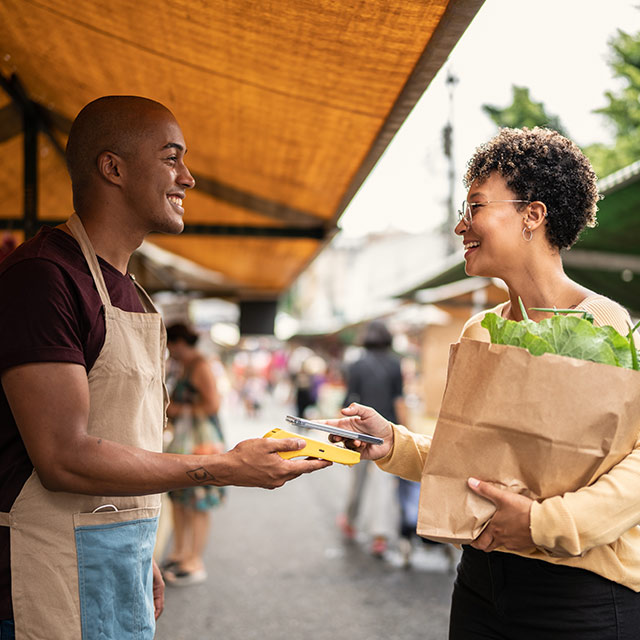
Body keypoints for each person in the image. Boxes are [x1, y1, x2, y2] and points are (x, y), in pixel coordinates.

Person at [0, 95, 330, 640]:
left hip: (119, 554)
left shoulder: (135, 294)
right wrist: (226, 467)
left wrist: (137, 545)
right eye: (171, 157)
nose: (189, 178)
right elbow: (63, 458)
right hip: (44, 576)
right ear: (113, 168)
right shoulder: (42, 277)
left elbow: (120, 438)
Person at [328, 127, 640, 638]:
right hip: (482, 583)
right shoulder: (479, 331)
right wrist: (392, 443)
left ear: (532, 215)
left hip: (582, 594)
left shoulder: (605, 323)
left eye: (475, 206)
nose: (460, 225)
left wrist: (544, 525)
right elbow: (471, 462)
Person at [163, 323, 226, 586]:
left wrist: (178, 410)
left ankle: (194, 560)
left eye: (169, 344)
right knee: (179, 498)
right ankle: (181, 553)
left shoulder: (200, 366)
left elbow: (213, 404)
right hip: (187, 440)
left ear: (178, 343)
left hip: (201, 440)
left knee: (198, 501)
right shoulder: (186, 366)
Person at [337, 321, 406, 557]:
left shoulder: (356, 365)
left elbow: (347, 401)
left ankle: (350, 520)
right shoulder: (395, 364)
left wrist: (340, 432)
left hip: (360, 432)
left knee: (357, 481)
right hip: (388, 431)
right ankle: (380, 536)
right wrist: (406, 431)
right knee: (384, 484)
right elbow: (399, 401)